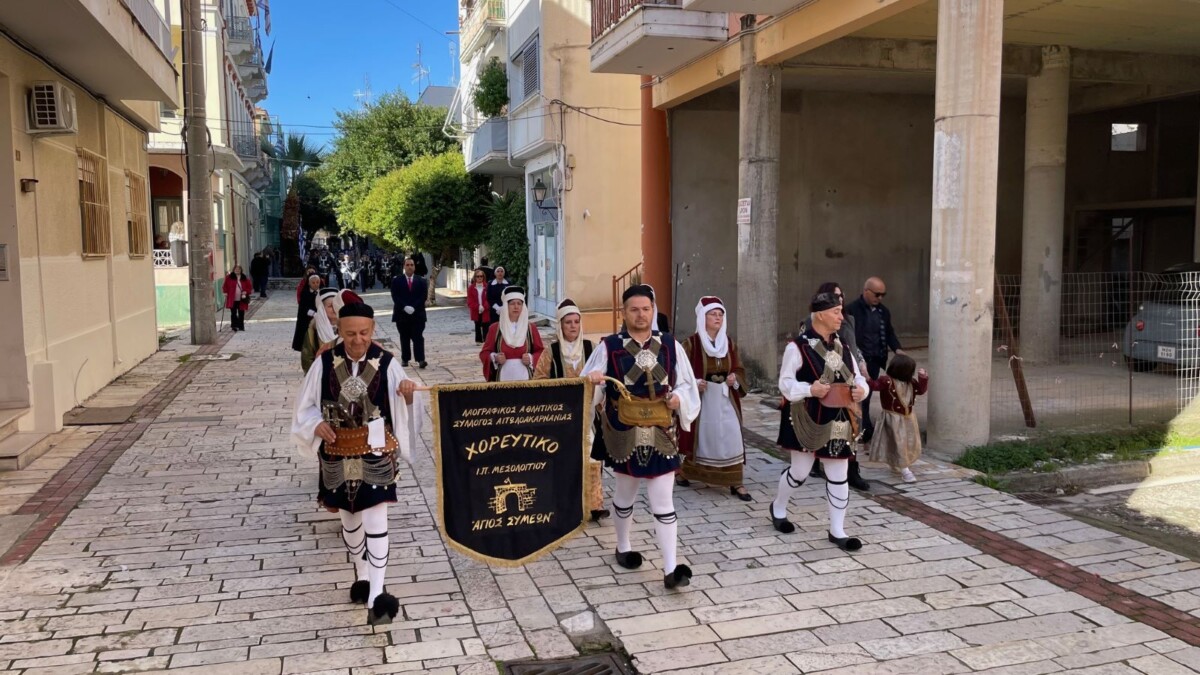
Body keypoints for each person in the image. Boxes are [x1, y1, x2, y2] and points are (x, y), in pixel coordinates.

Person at [291, 301, 420, 625]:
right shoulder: (322, 363)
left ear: (373, 331)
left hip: (376, 451)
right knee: (349, 521)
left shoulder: (388, 363)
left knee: (376, 519)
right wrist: (314, 425)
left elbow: (405, 405)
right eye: (350, 334)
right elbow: (304, 407)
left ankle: (378, 597)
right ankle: (361, 576)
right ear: (339, 331)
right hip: (336, 452)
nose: (358, 340)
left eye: (364, 333)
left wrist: (407, 394)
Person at [582, 284, 700, 590]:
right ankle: (623, 546)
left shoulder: (671, 346)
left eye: (645, 309)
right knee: (625, 494)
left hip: (662, 431)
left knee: (663, 500)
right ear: (624, 312)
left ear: (652, 310)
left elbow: (686, 384)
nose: (640, 315)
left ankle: (671, 569)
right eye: (634, 309)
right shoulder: (609, 347)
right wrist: (591, 381)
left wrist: (679, 399)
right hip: (624, 432)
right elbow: (588, 388)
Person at [771, 291, 869, 553]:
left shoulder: (843, 347)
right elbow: (785, 383)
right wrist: (809, 389)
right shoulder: (798, 347)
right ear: (821, 314)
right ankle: (778, 507)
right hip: (807, 414)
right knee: (800, 472)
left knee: (839, 474)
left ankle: (837, 530)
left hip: (838, 416)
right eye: (836, 312)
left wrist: (862, 390)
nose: (841, 317)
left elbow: (858, 378)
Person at [534, 299, 608, 523]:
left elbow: (603, 376)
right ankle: (564, 505)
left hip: (587, 415)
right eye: (568, 322)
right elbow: (538, 381)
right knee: (564, 460)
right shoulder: (551, 351)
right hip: (560, 417)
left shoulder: (590, 348)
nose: (573, 326)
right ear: (560, 325)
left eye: (576, 322)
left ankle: (594, 505)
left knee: (591, 458)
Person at [676, 296, 750, 501]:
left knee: (732, 436)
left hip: (726, 400)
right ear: (702, 317)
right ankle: (687, 472)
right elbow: (680, 372)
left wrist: (735, 378)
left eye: (720, 315)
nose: (717, 318)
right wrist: (695, 383)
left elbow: (739, 368)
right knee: (704, 439)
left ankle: (736, 481)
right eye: (712, 314)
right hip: (703, 400)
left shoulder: (730, 344)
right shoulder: (690, 344)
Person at [802, 282, 870, 491]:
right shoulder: (811, 321)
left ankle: (851, 470)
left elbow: (852, 345)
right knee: (821, 421)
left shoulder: (848, 319)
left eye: (841, 295)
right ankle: (814, 460)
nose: (839, 299)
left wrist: (860, 361)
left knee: (852, 424)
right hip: (824, 378)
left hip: (848, 379)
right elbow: (808, 349)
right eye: (834, 296)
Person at [845, 277, 904, 451]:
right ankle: (862, 432)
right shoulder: (851, 310)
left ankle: (864, 431)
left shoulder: (883, 312)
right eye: (877, 294)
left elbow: (890, 332)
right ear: (866, 291)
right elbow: (848, 337)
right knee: (859, 395)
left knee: (868, 395)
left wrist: (898, 349)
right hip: (857, 360)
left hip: (875, 359)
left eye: (883, 295)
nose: (880, 298)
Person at [867, 354, 929, 483]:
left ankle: (897, 463)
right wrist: (865, 375)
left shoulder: (911, 382)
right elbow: (874, 385)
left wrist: (923, 378)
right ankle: (905, 470)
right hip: (892, 419)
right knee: (898, 443)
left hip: (908, 419)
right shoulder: (886, 381)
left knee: (907, 443)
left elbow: (921, 390)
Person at [481, 287, 544, 382]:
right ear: (506, 306)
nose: (516, 307)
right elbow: (484, 353)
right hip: (502, 380)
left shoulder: (531, 328)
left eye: (519, 303)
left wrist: (531, 358)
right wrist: (495, 357)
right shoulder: (495, 328)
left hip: (526, 380)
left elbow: (541, 352)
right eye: (512, 304)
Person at [301, 288, 362, 373]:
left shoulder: (348, 326)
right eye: (330, 306)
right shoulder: (313, 329)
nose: (334, 309)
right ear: (321, 308)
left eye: (335, 305)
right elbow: (307, 357)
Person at [390, 257, 428, 369]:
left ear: (414, 267)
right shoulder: (397, 280)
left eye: (412, 265)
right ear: (404, 267)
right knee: (404, 337)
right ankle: (405, 359)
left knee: (418, 337)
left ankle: (421, 359)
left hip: (417, 314)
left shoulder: (421, 280)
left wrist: (414, 307)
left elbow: (423, 296)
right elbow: (395, 296)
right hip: (402, 314)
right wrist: (404, 306)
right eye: (407, 265)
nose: (410, 267)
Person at [292, 274, 321, 352]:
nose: (316, 284)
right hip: (307, 320)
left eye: (317, 282)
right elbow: (303, 308)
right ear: (309, 283)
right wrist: (314, 314)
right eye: (313, 282)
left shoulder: (322, 292)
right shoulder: (305, 293)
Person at [223, 266, 253, 332]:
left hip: (242, 299)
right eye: (236, 269)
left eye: (239, 269)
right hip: (232, 299)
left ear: (241, 270)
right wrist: (225, 292)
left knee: (241, 313)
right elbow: (225, 286)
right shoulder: (229, 277)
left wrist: (246, 291)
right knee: (233, 313)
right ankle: (234, 326)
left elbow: (249, 288)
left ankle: (241, 326)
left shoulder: (244, 278)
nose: (237, 270)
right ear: (233, 270)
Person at [466, 268, 492, 344]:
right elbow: (470, 300)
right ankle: (478, 340)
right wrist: (478, 307)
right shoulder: (471, 288)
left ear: (483, 277)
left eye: (481, 276)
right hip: (476, 310)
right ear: (475, 277)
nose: (480, 278)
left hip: (485, 309)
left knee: (486, 324)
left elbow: (489, 298)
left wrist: (484, 306)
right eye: (478, 276)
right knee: (477, 324)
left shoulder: (487, 287)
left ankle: (486, 340)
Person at [486, 267, 511, 331]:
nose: (500, 273)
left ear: (504, 273)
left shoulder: (508, 283)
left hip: (506, 308)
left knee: (506, 327)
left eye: (501, 271)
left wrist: (504, 307)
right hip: (494, 309)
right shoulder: (490, 284)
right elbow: (489, 297)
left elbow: (510, 296)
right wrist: (497, 307)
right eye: (498, 271)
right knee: (494, 327)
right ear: (495, 273)